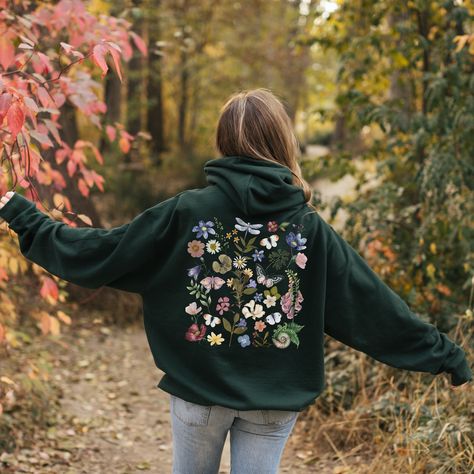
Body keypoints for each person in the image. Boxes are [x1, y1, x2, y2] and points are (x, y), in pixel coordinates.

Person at [0, 88, 471, 474]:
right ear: (283, 142)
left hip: (199, 394)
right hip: (273, 401)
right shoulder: (309, 229)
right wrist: (445, 354)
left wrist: (25, 217)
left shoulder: (188, 211)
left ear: (223, 140)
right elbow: (372, 306)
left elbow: (103, 252)